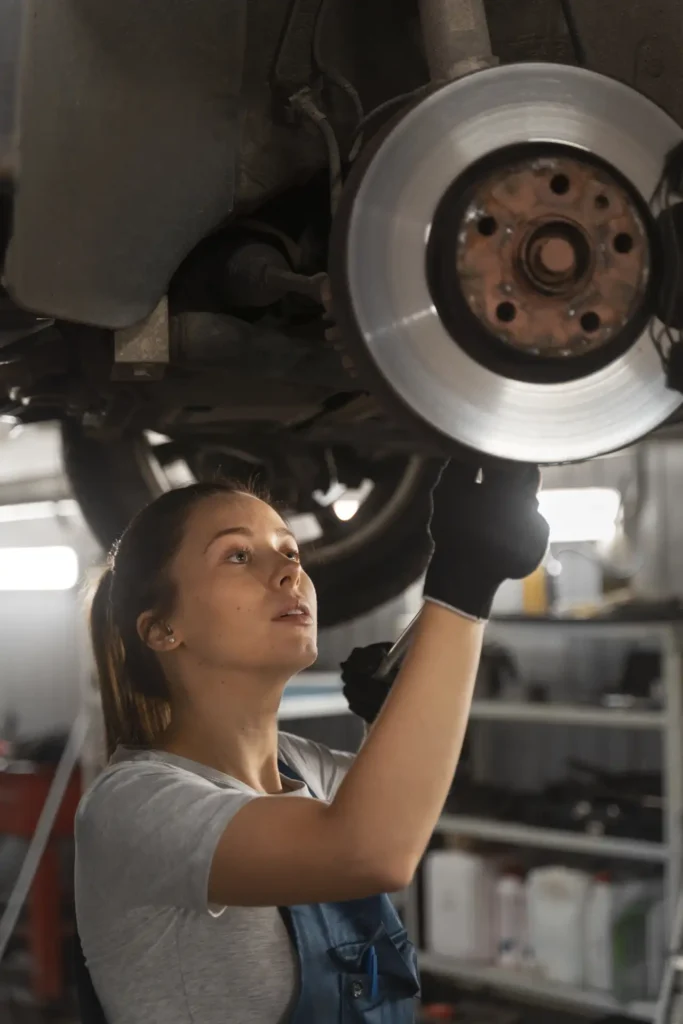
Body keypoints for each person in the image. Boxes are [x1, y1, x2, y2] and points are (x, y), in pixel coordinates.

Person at [74, 460, 549, 1024]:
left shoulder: (300, 766)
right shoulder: (131, 806)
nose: (287, 573)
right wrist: (463, 585)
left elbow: (408, 810)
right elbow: (372, 851)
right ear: (161, 629)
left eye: (291, 552)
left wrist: (391, 715)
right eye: (238, 556)